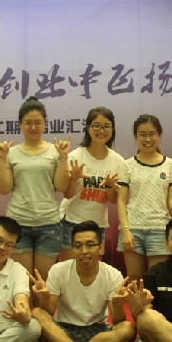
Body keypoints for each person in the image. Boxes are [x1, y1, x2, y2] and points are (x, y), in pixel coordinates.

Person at [30, 220, 136, 342]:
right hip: (63, 331)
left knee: (128, 329)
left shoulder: (113, 275)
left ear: (101, 248)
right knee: (37, 314)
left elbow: (118, 321)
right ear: (72, 248)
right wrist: (45, 298)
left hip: (98, 332)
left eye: (90, 245)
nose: (84, 251)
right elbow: (48, 311)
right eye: (78, 246)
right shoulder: (59, 270)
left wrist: (118, 306)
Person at [0, 96, 70, 279]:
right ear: (20, 124)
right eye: (28, 123)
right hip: (18, 223)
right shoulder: (11, 153)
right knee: (24, 281)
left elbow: (61, 186)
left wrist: (64, 158)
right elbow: (4, 189)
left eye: (38, 122)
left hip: (49, 224)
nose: (33, 127)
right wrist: (2, 159)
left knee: (43, 282)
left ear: (45, 123)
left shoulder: (55, 151)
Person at [116, 115, 172, 280]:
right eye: (142, 134)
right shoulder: (127, 165)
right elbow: (121, 201)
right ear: (136, 136)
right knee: (134, 279)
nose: (147, 139)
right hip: (133, 229)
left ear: (159, 135)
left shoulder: (170, 164)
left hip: (159, 229)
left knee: (158, 279)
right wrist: (125, 230)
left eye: (152, 134)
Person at [58, 107, 124, 260]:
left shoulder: (118, 161)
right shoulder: (75, 156)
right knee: (68, 269)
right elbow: (68, 195)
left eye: (106, 126)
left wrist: (109, 186)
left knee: (93, 270)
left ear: (112, 129)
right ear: (88, 128)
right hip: (71, 222)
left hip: (97, 225)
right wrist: (73, 179)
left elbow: (113, 200)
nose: (101, 130)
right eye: (96, 126)